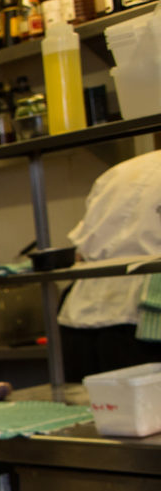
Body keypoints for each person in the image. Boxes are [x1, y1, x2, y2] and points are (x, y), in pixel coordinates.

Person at [55, 149, 161, 382]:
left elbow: (81, 249)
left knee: (90, 409)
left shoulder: (120, 171)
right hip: (145, 320)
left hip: (83, 310)